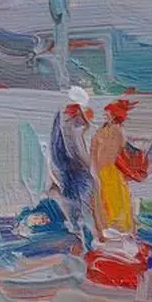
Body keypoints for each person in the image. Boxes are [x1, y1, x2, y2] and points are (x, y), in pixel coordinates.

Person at [50, 86, 95, 247]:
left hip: (70, 172)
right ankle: (83, 234)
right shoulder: (73, 124)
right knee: (83, 202)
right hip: (77, 172)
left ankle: (79, 232)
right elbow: (79, 149)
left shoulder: (64, 122)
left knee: (75, 202)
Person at [91, 97, 140, 240]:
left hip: (110, 171)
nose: (104, 115)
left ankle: (115, 230)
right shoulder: (107, 131)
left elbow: (102, 152)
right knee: (107, 201)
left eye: (107, 113)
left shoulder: (111, 131)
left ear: (114, 115)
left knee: (112, 201)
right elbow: (96, 151)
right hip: (106, 171)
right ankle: (111, 229)